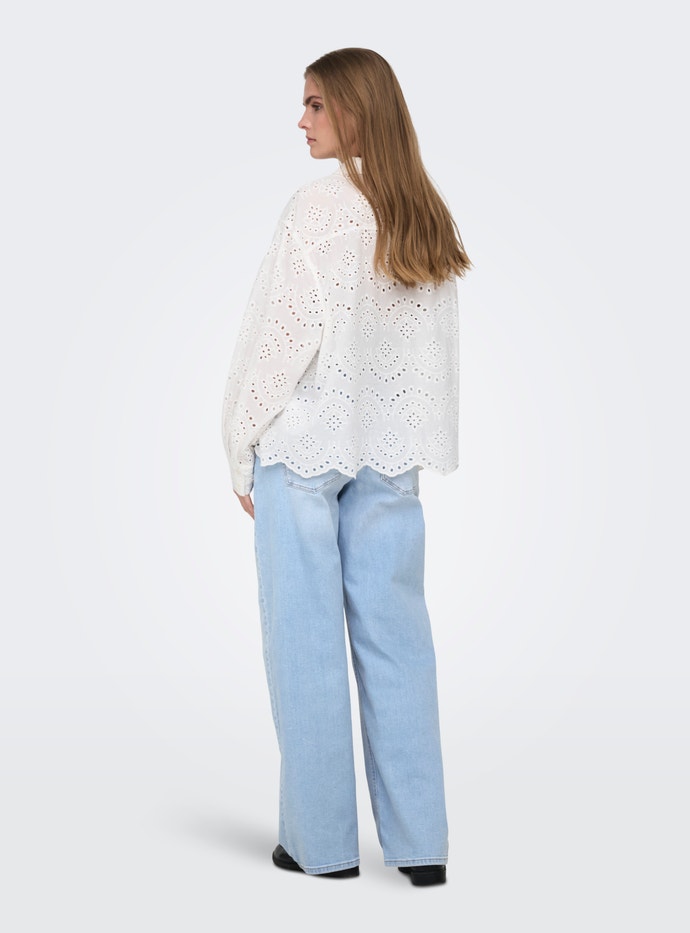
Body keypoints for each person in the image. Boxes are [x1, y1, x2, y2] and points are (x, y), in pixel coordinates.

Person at [221, 48, 471, 886]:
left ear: (357, 111)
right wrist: (415, 440)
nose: (302, 120)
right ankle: (421, 847)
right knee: (399, 641)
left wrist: (240, 445)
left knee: (305, 646)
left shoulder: (319, 209)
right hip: (391, 461)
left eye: (316, 104)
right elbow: (437, 354)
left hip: (304, 454)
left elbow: (280, 340)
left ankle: (321, 846)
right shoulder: (424, 213)